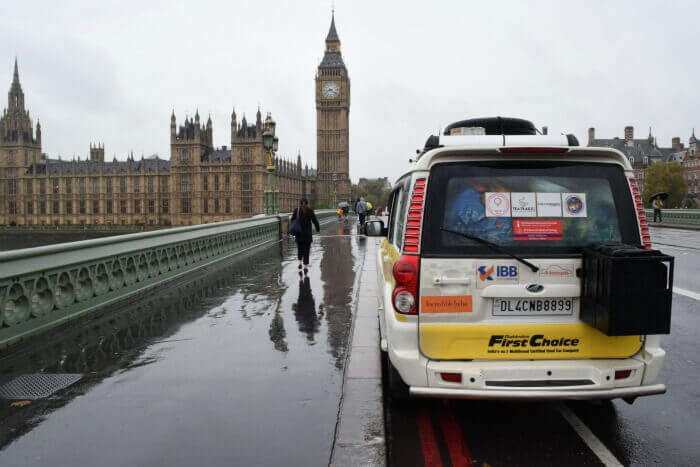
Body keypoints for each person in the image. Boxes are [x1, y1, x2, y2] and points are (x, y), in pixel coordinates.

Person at [291, 198, 320, 274]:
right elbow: (315, 221)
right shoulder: (310, 211)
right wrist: (318, 229)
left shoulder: (296, 210)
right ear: (307, 203)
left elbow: (292, 220)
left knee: (300, 249)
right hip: (307, 234)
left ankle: (300, 263)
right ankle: (305, 266)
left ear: (300, 203)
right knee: (306, 250)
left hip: (299, 233)